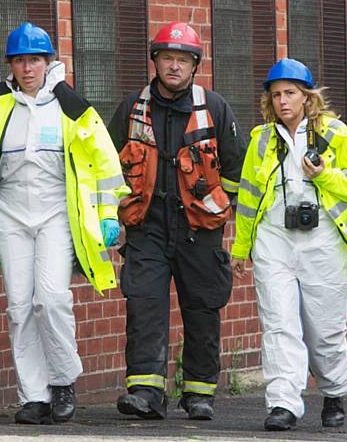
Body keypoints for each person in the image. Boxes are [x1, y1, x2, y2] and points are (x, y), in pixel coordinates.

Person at [0, 22, 129, 425]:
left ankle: (63, 380)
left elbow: (105, 168)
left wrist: (108, 215)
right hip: (10, 213)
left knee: (50, 299)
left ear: (48, 62)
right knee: (18, 307)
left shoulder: (73, 108)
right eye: (19, 60)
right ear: (10, 65)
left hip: (55, 213)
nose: (27, 68)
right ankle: (33, 396)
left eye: (34, 60)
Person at [108, 22, 245, 421]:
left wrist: (222, 213)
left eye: (182, 60)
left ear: (194, 66)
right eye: (167, 57)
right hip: (146, 228)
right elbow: (105, 168)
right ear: (155, 61)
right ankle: (146, 391)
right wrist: (112, 221)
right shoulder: (132, 107)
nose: (173, 66)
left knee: (202, 309)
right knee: (144, 305)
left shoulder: (215, 108)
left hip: (198, 231)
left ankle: (199, 394)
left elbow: (237, 171)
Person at [230, 58, 347, 431]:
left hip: (323, 242)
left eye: (290, 93)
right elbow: (247, 199)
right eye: (276, 94)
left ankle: (333, 392)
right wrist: (240, 248)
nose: (283, 101)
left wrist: (325, 175)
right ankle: (283, 403)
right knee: (278, 323)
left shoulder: (336, 133)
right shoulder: (261, 140)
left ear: (307, 97)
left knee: (324, 328)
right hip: (274, 240)